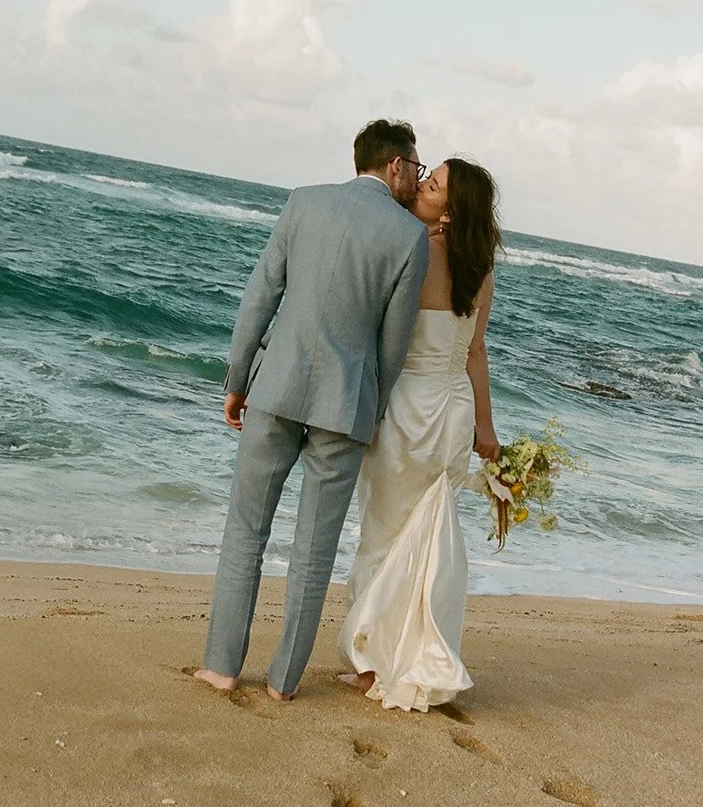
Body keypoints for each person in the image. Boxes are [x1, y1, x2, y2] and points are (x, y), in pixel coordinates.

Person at [195, 120, 429, 702]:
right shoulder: (408, 238)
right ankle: (282, 682)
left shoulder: (304, 202)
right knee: (313, 550)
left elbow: (261, 295)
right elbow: (392, 344)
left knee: (245, 529)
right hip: (345, 405)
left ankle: (222, 667)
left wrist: (238, 377)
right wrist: (370, 412)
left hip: (275, 386)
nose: (417, 179)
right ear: (394, 165)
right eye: (416, 168)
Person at [338, 156, 502, 711]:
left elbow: (383, 334)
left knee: (384, 530)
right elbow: (474, 352)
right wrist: (486, 424)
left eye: (433, 187)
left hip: (410, 407)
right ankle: (414, 649)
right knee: (429, 537)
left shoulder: (411, 248)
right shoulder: (482, 271)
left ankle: (370, 658)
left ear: (451, 213)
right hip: (453, 412)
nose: (422, 189)